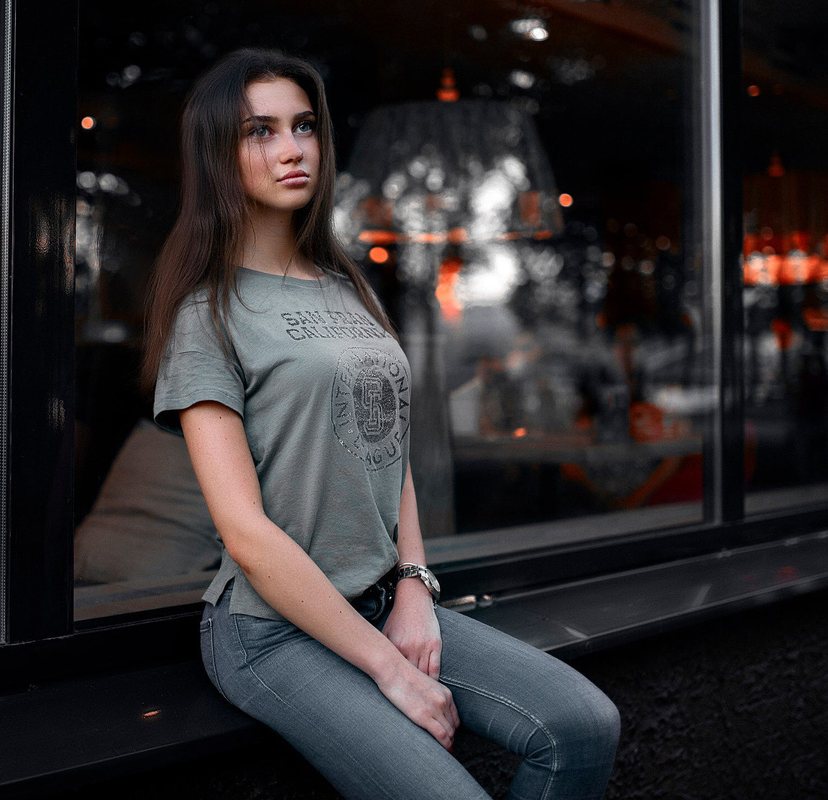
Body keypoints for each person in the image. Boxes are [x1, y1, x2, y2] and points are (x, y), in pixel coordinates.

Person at [143, 48, 620, 800]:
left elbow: (386, 448)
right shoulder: (208, 315)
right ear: (216, 154)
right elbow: (245, 535)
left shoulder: (348, 286)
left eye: (303, 126)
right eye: (259, 132)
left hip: (379, 597)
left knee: (583, 725)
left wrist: (413, 590)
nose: (293, 148)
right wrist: (391, 670)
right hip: (271, 631)